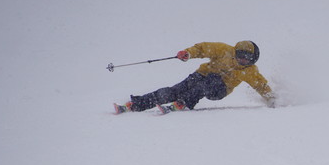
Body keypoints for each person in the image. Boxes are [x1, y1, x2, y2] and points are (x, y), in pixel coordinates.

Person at [114, 41, 275, 114]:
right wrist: (188, 53)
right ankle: (136, 104)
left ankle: (183, 103)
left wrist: (272, 100)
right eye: (240, 56)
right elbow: (203, 48)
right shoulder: (224, 50)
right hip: (202, 75)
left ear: (253, 59)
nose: (242, 60)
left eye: (247, 58)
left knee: (208, 84)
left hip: (219, 89)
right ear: (235, 52)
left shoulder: (251, 71)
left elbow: (261, 85)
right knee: (175, 90)